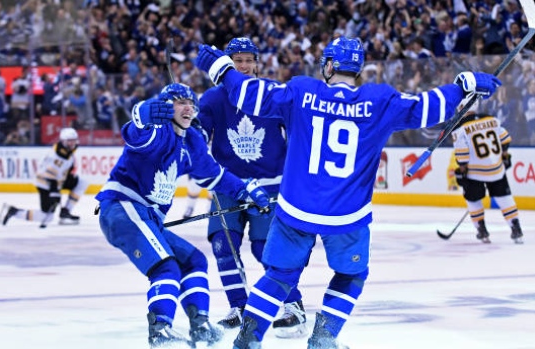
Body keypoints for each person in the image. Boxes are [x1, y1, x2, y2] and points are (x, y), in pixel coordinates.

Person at [195, 36, 501, 349]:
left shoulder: (301, 91)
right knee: (351, 274)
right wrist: (463, 85)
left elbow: (249, 93)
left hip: (295, 209)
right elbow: (426, 108)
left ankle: (249, 338)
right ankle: (324, 338)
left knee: (278, 274)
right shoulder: (380, 101)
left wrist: (220, 67)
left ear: (328, 65)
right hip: (346, 215)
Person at [94, 83, 271, 348]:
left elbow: (216, 177)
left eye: (191, 103)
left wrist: (247, 191)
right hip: (123, 208)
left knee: (194, 261)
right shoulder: (159, 130)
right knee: (167, 267)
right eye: (179, 102)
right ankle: (160, 329)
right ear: (165, 107)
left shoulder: (191, 143)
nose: (188, 107)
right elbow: (135, 134)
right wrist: (142, 114)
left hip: (146, 217)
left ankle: (199, 324)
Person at [199, 37, 307, 337]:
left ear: (257, 63)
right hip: (228, 186)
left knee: (266, 250)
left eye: (248, 60)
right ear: (227, 64)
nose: (243, 66)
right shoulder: (212, 99)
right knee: (223, 244)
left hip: (270, 187)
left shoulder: (271, 94)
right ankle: (239, 306)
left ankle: (293, 305)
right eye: (237, 61)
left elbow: (300, 136)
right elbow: (198, 139)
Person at [452, 101, 524, 244]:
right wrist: (504, 156)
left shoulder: (460, 129)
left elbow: (463, 156)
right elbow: (506, 139)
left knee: (473, 199)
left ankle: (482, 230)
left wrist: (462, 172)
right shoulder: (492, 120)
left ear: (461, 108)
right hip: (496, 168)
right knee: (504, 198)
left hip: (475, 172)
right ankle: (516, 229)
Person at [1, 127, 86, 228]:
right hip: (46, 184)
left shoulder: (67, 152)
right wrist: (54, 192)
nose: (72, 143)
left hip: (58, 182)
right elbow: (48, 175)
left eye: (74, 141)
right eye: (69, 141)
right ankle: (14, 211)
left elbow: (63, 172)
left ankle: (65, 211)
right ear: (63, 141)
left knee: (81, 182)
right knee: (46, 216)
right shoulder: (56, 156)